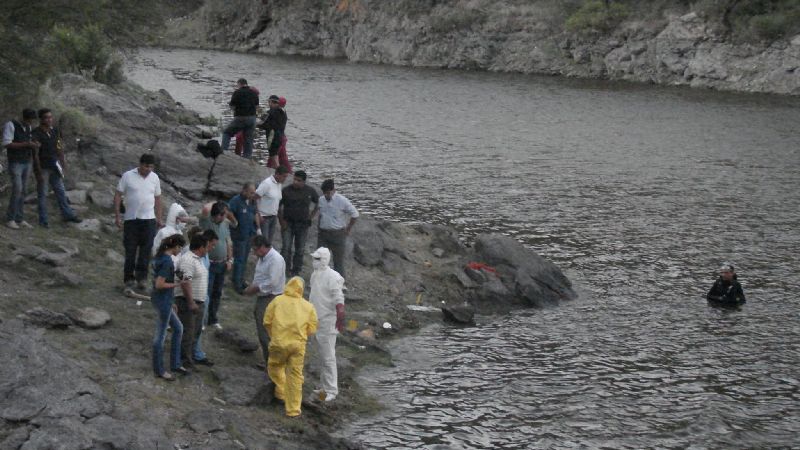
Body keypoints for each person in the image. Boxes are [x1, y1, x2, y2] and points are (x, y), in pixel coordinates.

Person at [264, 276, 318, 417]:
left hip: (279, 343)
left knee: (275, 366)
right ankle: (293, 410)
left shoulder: (277, 301)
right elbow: (312, 328)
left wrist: (273, 335)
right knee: (295, 376)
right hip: (297, 346)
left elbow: (267, 321)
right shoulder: (308, 306)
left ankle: (281, 392)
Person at [115, 153, 163, 291]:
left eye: (151, 167)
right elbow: (118, 194)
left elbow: (158, 198)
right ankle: (129, 278)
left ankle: (142, 278)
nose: (149, 169)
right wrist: (118, 215)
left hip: (149, 220)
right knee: (130, 250)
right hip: (131, 219)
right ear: (140, 164)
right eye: (146, 166)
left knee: (146, 250)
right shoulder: (128, 176)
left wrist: (159, 218)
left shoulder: (155, 178)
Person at [31, 108, 81, 227]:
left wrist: (63, 162)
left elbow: (59, 147)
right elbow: (35, 154)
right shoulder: (36, 133)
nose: (49, 120)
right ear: (41, 119)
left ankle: (67, 214)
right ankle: (43, 220)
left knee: (61, 191)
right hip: (43, 167)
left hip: (55, 166)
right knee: (42, 194)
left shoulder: (55, 131)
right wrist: (37, 170)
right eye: (46, 117)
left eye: (50, 117)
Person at [309, 247, 345, 402]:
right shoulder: (315, 275)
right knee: (322, 356)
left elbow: (339, 299)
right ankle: (324, 387)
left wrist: (340, 318)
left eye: (317, 259)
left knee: (329, 357)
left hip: (328, 321)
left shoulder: (333, 276)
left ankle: (332, 390)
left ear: (324, 259)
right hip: (315, 320)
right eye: (314, 258)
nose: (314, 262)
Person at [244, 236, 286, 366]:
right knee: (264, 329)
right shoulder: (263, 258)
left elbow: (272, 282)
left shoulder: (275, 259)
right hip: (263, 296)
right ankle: (269, 360)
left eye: (256, 249)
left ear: (262, 247)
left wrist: (255, 288)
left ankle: (272, 363)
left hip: (271, 297)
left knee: (266, 331)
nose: (255, 253)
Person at [150, 234, 187, 381]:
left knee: (178, 328)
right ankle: (159, 369)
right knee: (160, 336)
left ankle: (175, 363)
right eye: (180, 248)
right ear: (176, 246)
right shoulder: (167, 262)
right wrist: (177, 284)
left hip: (162, 299)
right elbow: (160, 284)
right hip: (162, 301)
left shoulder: (159, 257)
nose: (180, 251)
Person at [175, 233, 210, 369]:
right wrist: (190, 302)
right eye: (206, 247)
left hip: (198, 302)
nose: (208, 250)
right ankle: (184, 361)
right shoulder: (188, 260)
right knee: (187, 332)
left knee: (194, 332)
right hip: (188, 302)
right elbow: (185, 281)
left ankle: (189, 358)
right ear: (201, 247)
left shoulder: (198, 259)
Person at [200, 201, 235, 330]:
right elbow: (205, 208)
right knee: (206, 292)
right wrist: (217, 202)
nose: (225, 216)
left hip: (222, 264)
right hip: (210, 263)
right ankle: (202, 320)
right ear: (217, 215)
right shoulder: (207, 222)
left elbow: (228, 243)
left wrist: (230, 260)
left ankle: (213, 319)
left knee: (217, 292)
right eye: (223, 214)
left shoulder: (225, 224)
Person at [3, 108, 39, 229]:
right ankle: (10, 218)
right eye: (29, 120)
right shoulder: (11, 125)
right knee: (17, 189)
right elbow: (7, 143)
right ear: (24, 118)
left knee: (23, 190)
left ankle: (19, 218)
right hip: (15, 162)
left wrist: (34, 144)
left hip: (27, 162)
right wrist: (27, 144)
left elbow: (28, 142)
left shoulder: (28, 128)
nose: (31, 123)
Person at [279, 170, 319, 276]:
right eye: (294, 179)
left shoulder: (310, 191)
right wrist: (281, 221)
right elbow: (278, 205)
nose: (295, 182)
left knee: (300, 249)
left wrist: (311, 217)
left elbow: (318, 203)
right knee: (286, 248)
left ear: (304, 182)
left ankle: (296, 270)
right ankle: (284, 269)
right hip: (288, 223)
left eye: (299, 180)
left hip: (303, 225)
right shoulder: (286, 190)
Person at [317, 179, 359, 279]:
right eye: (324, 193)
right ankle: (319, 281)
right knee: (320, 259)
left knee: (338, 261)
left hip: (338, 234)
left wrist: (348, 229)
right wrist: (319, 227)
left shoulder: (342, 200)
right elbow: (320, 214)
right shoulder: (321, 200)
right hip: (323, 234)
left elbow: (355, 214)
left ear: (333, 190)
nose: (326, 195)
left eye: (328, 193)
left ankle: (339, 284)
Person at [191, 229, 218, 366]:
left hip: (203, 294)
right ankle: (193, 353)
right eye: (211, 245)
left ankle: (196, 352)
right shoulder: (193, 256)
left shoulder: (205, 255)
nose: (212, 248)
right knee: (192, 326)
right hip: (195, 296)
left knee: (199, 326)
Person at [228, 183, 261, 293]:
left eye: (254, 192)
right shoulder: (236, 200)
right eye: (251, 192)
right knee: (239, 259)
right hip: (239, 235)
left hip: (249, 234)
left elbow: (255, 212)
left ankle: (241, 280)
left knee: (245, 258)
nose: (253, 195)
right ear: (244, 191)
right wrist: (234, 221)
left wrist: (258, 228)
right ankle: (236, 283)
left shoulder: (252, 201)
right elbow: (228, 211)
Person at [221, 78, 259, 159]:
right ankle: (247, 158)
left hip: (240, 117)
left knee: (226, 133)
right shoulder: (253, 93)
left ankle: (223, 153)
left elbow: (232, 105)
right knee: (248, 139)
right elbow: (256, 106)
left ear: (239, 84)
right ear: (246, 83)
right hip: (252, 118)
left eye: (237, 85)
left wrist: (236, 110)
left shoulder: (237, 92)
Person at [255, 166, 289, 243]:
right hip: (264, 218)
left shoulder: (279, 184)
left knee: (269, 242)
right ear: (277, 174)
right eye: (284, 176)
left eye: (286, 177)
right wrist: (258, 215)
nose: (285, 179)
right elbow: (254, 199)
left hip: (273, 217)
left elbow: (277, 201)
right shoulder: (266, 183)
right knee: (263, 242)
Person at [257, 95, 288, 170]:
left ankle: (278, 171)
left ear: (271, 102)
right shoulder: (284, 112)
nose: (268, 104)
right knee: (275, 154)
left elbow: (261, 123)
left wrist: (255, 124)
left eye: (269, 102)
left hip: (272, 136)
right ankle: (276, 170)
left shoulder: (269, 112)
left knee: (273, 155)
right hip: (281, 135)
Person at [233, 86, 260, 157]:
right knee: (245, 139)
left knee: (241, 138)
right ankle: (244, 155)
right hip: (248, 122)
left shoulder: (248, 98)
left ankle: (239, 155)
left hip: (243, 121)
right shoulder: (252, 100)